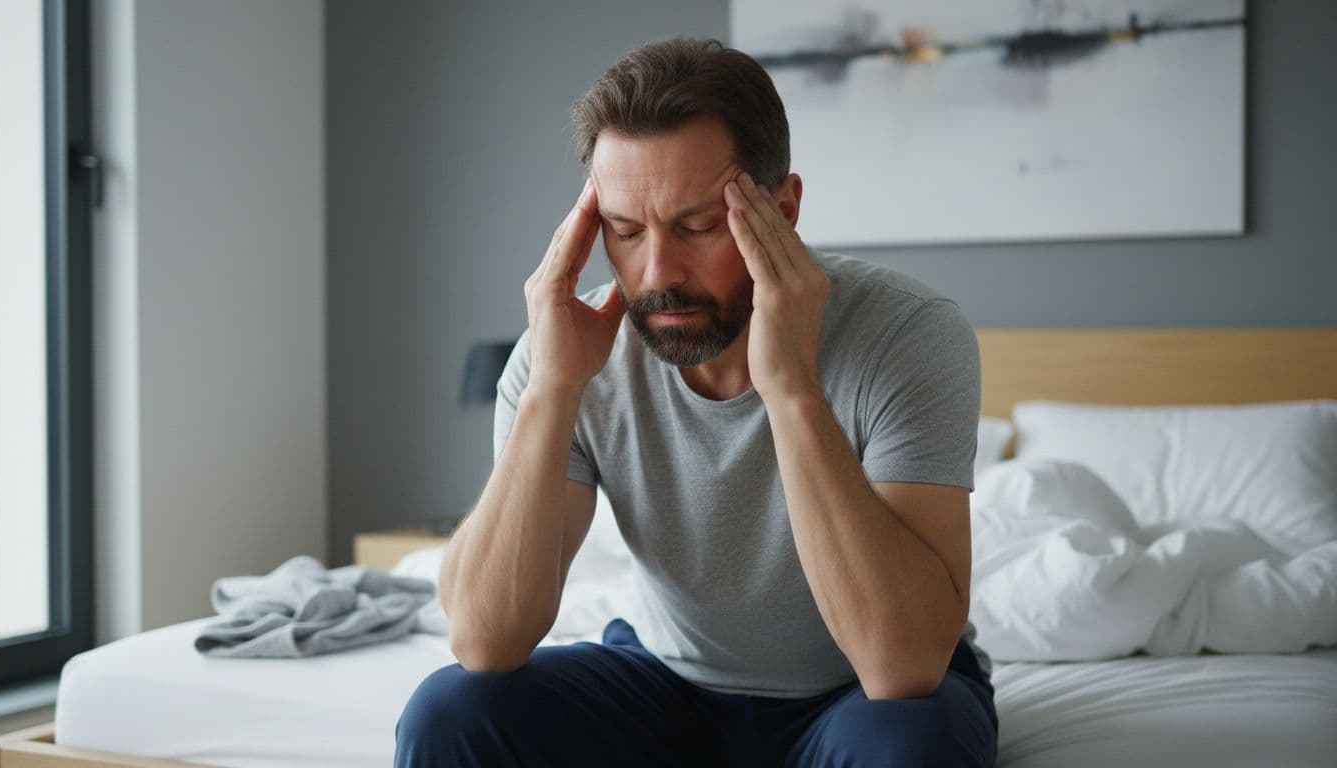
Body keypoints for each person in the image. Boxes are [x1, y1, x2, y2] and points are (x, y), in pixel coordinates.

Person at [395, 37, 998, 767]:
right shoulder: (568, 349)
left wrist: (793, 390)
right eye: (624, 230)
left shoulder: (905, 333)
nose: (659, 273)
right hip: (664, 683)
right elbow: (486, 643)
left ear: (783, 207)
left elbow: (902, 665)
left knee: (912, 744)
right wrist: (553, 388)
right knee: (449, 712)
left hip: (857, 699)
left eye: (698, 226)